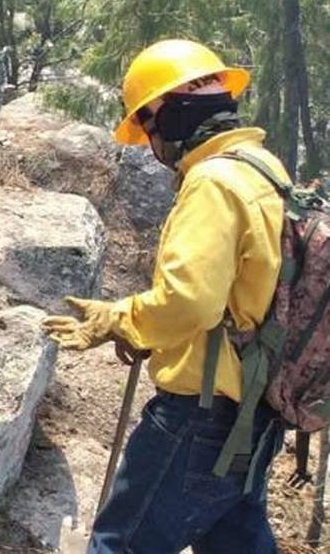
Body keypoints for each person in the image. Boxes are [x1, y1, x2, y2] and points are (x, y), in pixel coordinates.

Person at [42, 39, 290, 553]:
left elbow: (191, 303)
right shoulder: (267, 173)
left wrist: (121, 319)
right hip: (254, 415)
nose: (153, 141)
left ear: (175, 109)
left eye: (150, 123)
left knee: (120, 545)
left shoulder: (213, 182)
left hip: (199, 417)